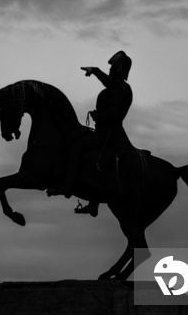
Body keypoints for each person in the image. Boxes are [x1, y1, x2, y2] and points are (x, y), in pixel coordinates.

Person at [52, 50, 133, 216]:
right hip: (109, 132)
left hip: (108, 134)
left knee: (76, 148)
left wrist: (97, 116)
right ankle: (93, 202)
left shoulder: (117, 88)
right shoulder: (119, 86)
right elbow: (108, 83)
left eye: (111, 68)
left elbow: (115, 114)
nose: (109, 70)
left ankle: (68, 186)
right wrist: (95, 70)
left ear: (117, 69)